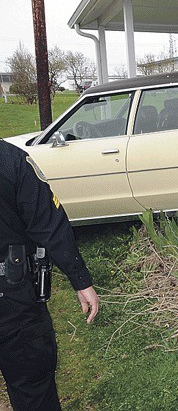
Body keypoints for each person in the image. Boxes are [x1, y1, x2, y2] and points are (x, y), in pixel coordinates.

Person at [0, 139, 99, 411]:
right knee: (34, 392)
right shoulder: (10, 159)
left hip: (14, 299)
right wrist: (81, 281)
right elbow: (48, 224)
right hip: (14, 298)